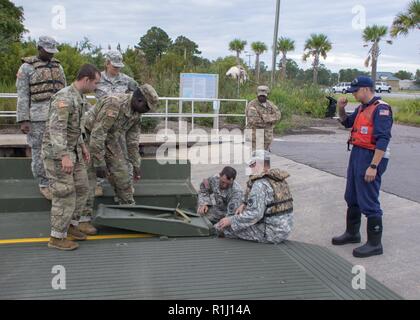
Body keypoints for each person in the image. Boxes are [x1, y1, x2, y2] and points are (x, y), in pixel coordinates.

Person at [332, 76, 393, 258]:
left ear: (366, 89)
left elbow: (383, 139)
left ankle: (375, 243)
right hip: (358, 153)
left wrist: (373, 166)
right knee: (351, 195)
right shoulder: (362, 108)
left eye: (356, 90)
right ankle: (352, 233)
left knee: (369, 199)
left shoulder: (381, 108)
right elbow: (346, 123)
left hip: (371, 156)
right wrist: (341, 109)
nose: (353, 93)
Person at [42, 64, 101, 251]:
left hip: (73, 151)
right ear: (86, 80)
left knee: (83, 187)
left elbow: (76, 127)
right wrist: (63, 156)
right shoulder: (64, 98)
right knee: (65, 193)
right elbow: (56, 129)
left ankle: (72, 225)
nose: (96, 87)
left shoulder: (80, 97)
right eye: (95, 83)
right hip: (58, 154)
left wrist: (83, 146)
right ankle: (56, 237)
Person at [83, 84, 158, 212]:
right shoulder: (114, 104)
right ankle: (83, 219)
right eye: (146, 107)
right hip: (88, 138)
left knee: (123, 175)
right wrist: (99, 163)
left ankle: (128, 209)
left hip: (109, 139)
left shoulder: (136, 113)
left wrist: (136, 165)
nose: (146, 111)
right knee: (89, 180)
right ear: (139, 100)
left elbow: (132, 142)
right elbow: (97, 134)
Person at [16, 36, 66, 200]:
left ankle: (56, 179)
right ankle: (44, 183)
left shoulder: (58, 66)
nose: (51, 55)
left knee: (59, 148)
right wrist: (24, 119)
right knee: (38, 150)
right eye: (47, 51)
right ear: (39, 48)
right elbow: (22, 95)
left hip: (57, 116)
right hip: (37, 117)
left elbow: (65, 91)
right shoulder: (26, 68)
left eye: (53, 52)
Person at [216, 150, 293, 244]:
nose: (250, 167)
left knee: (223, 228)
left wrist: (231, 220)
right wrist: (244, 203)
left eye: (252, 164)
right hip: (284, 230)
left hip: (270, 233)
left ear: (260, 164)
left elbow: (255, 214)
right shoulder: (278, 179)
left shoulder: (260, 184)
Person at [93, 50, 139, 197]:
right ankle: (98, 184)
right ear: (107, 63)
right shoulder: (97, 79)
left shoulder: (128, 81)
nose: (117, 69)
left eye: (119, 66)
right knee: (98, 151)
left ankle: (126, 185)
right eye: (114, 66)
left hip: (120, 125)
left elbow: (137, 99)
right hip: (102, 123)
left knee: (124, 154)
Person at [245, 85, 281, 151]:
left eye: (263, 96)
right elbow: (254, 120)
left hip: (267, 137)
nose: (261, 97)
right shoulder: (252, 105)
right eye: (260, 96)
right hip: (255, 136)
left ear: (267, 95)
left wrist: (264, 117)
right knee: (256, 157)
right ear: (257, 95)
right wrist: (270, 122)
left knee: (265, 157)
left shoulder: (270, 104)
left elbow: (278, 116)